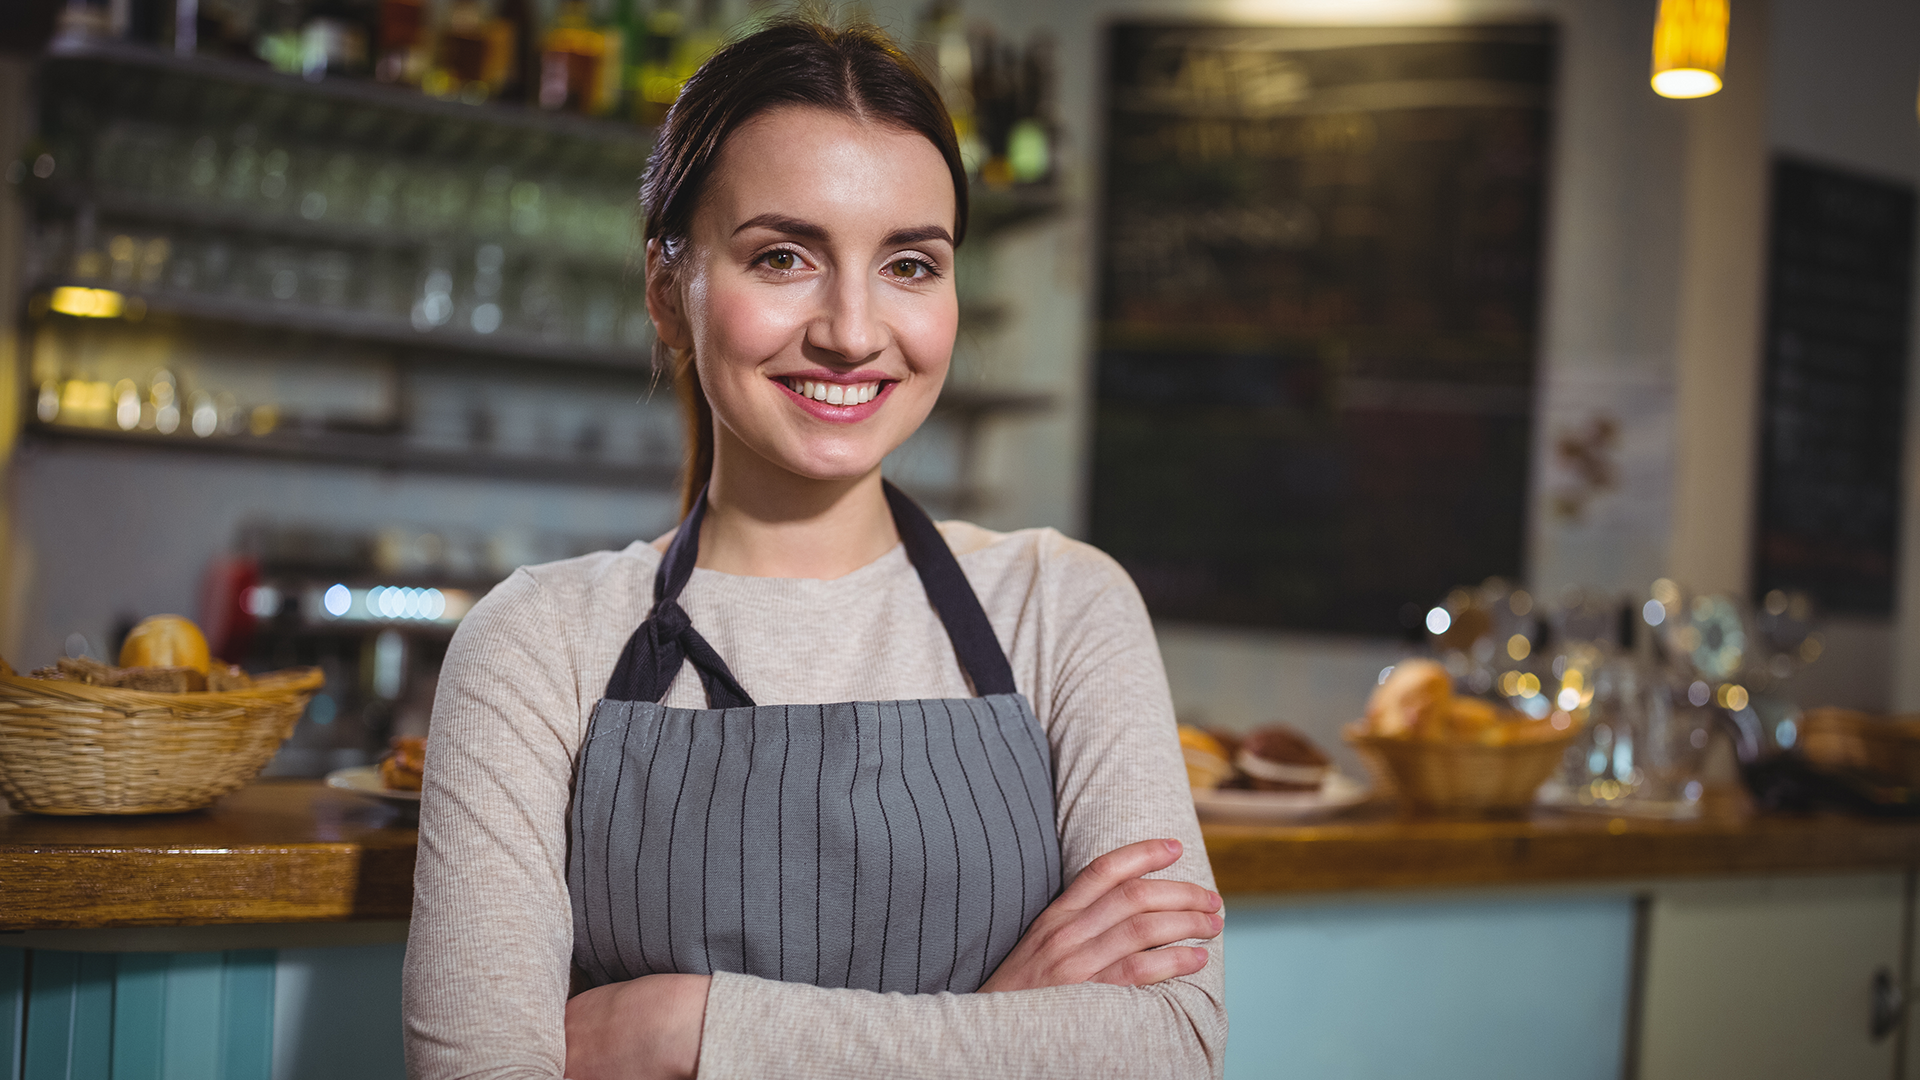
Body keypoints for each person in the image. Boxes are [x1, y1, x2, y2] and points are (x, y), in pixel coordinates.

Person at [403, 17, 1227, 1080]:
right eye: (784, 256)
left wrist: (686, 1029)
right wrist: (1002, 1023)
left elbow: (1169, 1049)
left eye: (910, 264)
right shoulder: (535, 644)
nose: (851, 327)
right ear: (668, 289)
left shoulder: (1062, 605)